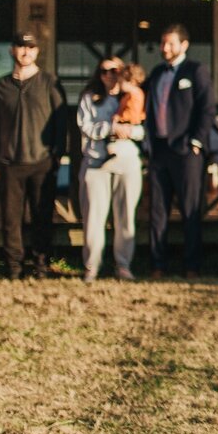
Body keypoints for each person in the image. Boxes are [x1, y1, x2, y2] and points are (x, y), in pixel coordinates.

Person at [0, 31, 66, 280]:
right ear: (12, 50)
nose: (26, 52)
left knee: (42, 216)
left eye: (30, 48)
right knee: (11, 219)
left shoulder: (50, 83)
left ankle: (41, 265)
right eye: (21, 47)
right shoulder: (0, 87)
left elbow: (61, 122)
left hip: (42, 162)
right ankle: (14, 267)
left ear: (37, 52)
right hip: (9, 163)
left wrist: (56, 156)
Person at [145, 24, 214, 279]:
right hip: (159, 149)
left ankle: (192, 266)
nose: (165, 48)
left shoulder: (196, 71)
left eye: (170, 43)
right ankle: (157, 265)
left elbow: (207, 109)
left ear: (184, 45)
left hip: (186, 150)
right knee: (158, 210)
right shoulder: (156, 73)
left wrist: (196, 142)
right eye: (163, 43)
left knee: (190, 209)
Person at [76, 57, 146, 283]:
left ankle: (123, 265)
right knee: (94, 218)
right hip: (96, 163)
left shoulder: (134, 96)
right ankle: (92, 266)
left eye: (114, 70)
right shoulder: (90, 98)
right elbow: (84, 126)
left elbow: (144, 130)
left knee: (125, 217)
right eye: (104, 71)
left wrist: (129, 131)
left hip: (126, 161)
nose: (109, 75)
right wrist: (110, 128)